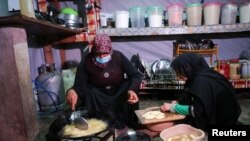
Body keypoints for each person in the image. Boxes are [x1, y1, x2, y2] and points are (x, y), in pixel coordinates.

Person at [66, 33, 142, 130]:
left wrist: (132, 90)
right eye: (98, 53)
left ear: (110, 50)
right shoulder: (86, 61)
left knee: (128, 85)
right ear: (93, 50)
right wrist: (71, 91)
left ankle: (130, 121)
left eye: (105, 53)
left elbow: (136, 75)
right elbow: (79, 86)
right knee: (89, 91)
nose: (101, 57)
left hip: (118, 92)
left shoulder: (118, 56)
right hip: (98, 95)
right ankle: (96, 123)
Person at [160, 53, 241, 132]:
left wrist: (172, 108)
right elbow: (189, 94)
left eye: (179, 71)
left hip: (221, 120)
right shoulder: (202, 75)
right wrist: (178, 102)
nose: (178, 75)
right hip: (218, 113)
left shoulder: (201, 81)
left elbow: (196, 111)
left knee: (181, 125)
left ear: (188, 67)